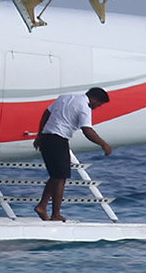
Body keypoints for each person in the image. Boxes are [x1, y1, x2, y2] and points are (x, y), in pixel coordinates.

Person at [33, 87, 112, 222]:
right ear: (93, 99)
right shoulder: (84, 107)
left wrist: (39, 135)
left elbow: (46, 113)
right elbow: (87, 130)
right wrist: (103, 144)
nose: (97, 107)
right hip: (58, 139)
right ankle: (55, 214)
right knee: (61, 177)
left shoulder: (65, 97)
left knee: (56, 175)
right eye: (98, 104)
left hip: (47, 137)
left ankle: (42, 205)